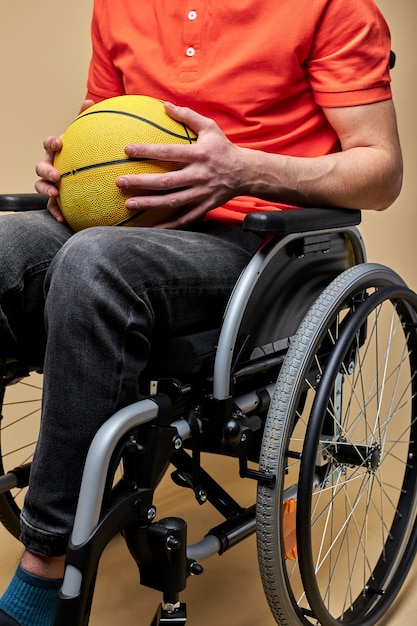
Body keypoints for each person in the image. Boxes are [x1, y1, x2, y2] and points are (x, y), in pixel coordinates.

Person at [0, 0, 403, 624]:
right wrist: (71, 172)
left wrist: (238, 169)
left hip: (257, 246)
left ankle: (44, 569)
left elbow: (380, 171)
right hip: (128, 224)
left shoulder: (331, 7)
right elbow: (102, 128)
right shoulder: (120, 8)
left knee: (91, 262)